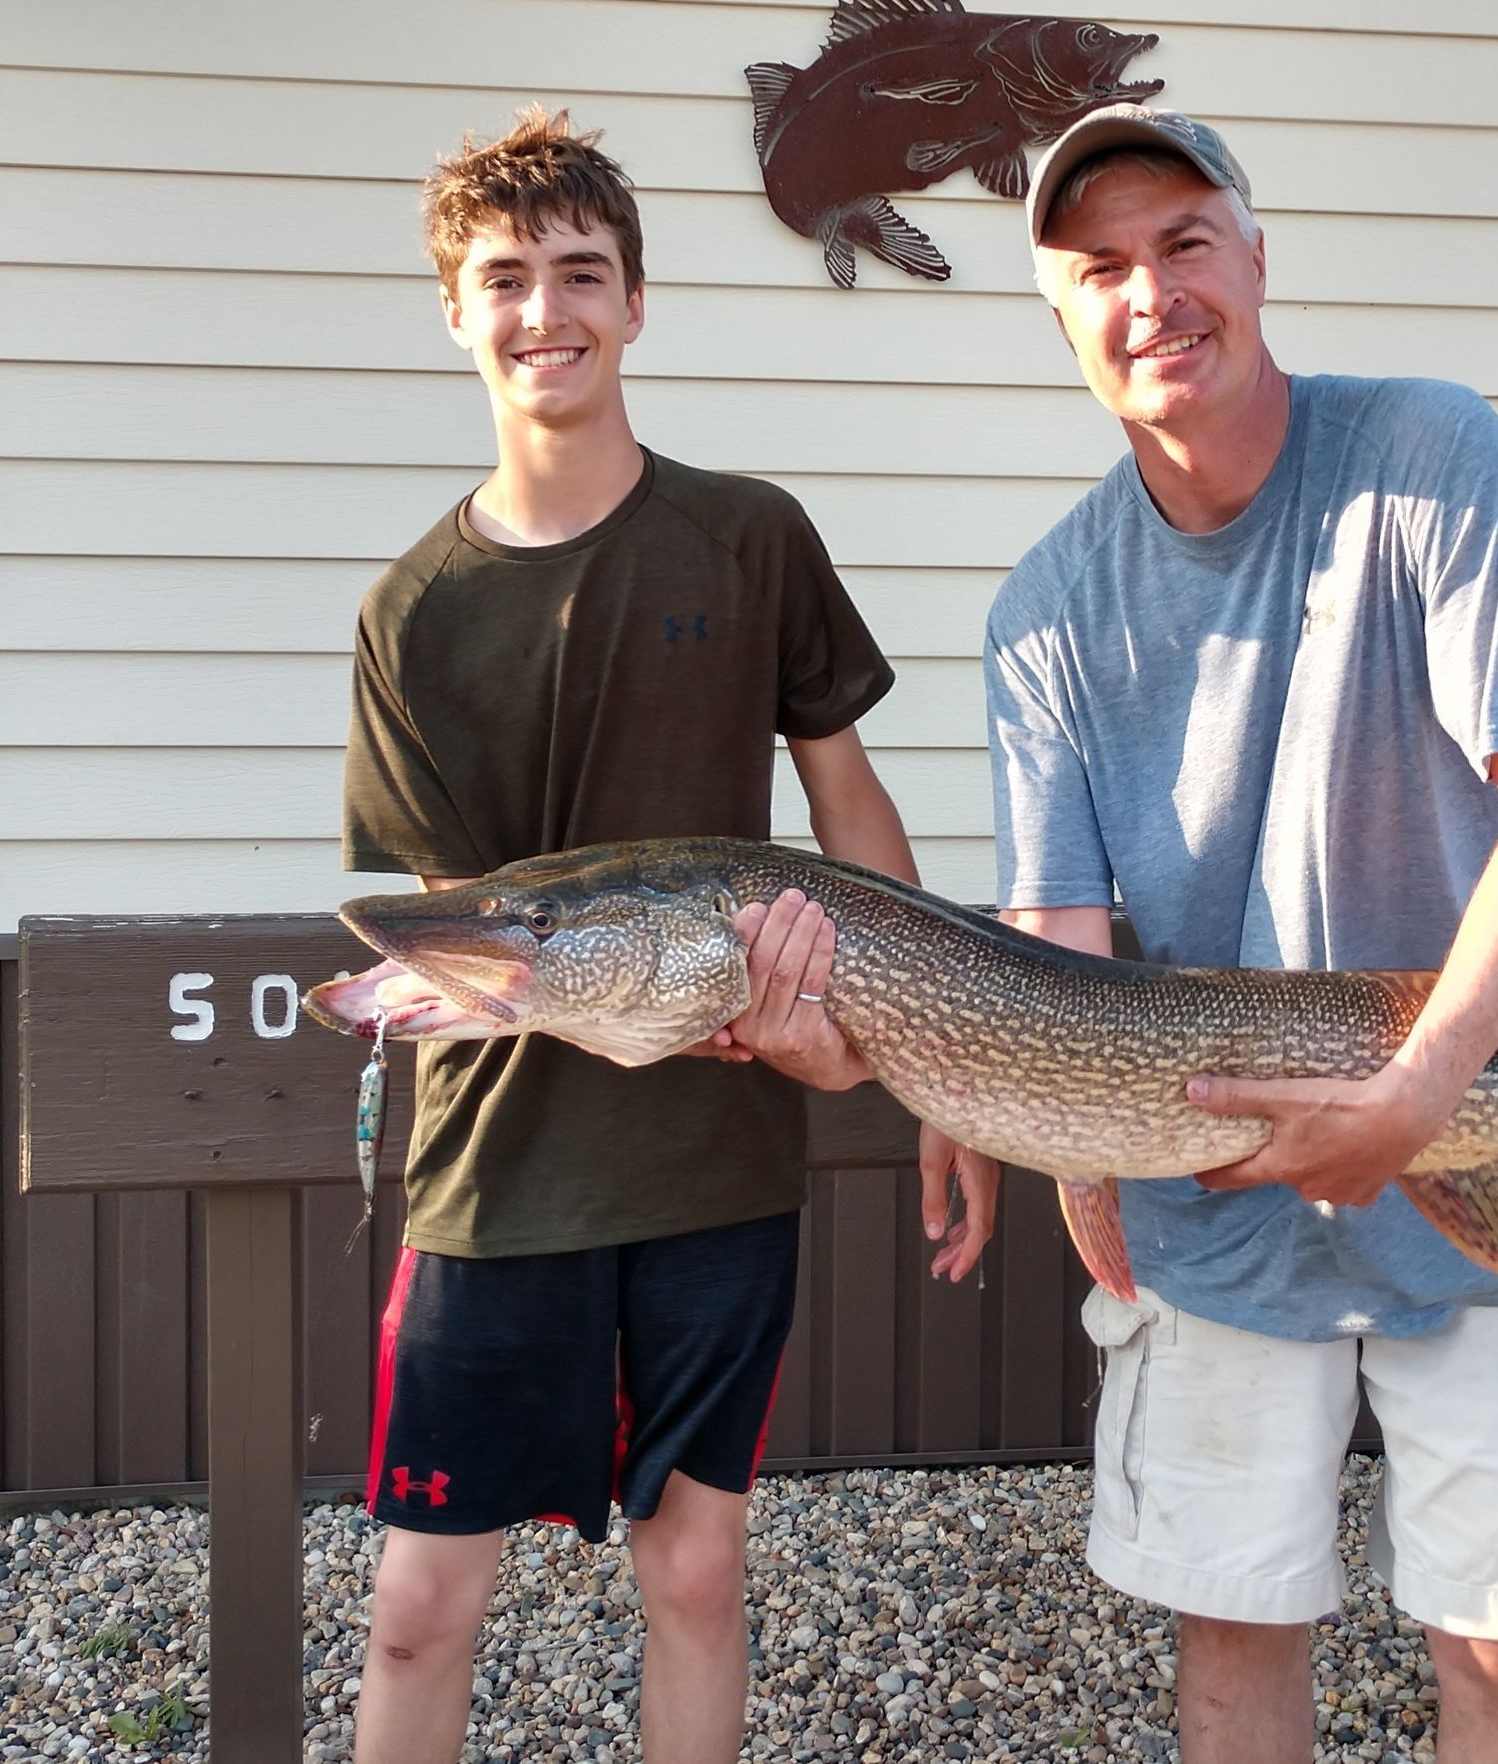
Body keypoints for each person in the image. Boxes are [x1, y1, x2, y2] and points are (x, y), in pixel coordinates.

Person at [337, 107, 994, 1764]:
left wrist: (927, 1068)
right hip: (498, 1170)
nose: (543, 311)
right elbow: (455, 942)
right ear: (453, 310)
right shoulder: (412, 614)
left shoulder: (749, 534)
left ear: (638, 303)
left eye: (581, 272)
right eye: (505, 279)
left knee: (695, 1571)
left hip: (717, 1158)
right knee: (419, 1603)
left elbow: (853, 821)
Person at [983, 106, 1498, 1764]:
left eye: (1185, 242)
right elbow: (1050, 957)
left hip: (1482, 1122)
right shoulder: (1045, 610)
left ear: (1257, 260)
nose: (1151, 294)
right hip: (1212, 1203)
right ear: (1060, 316)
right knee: (1234, 1637)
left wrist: (1421, 1093)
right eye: (1100, 268)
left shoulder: (1431, 453)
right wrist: (1023, 1125)